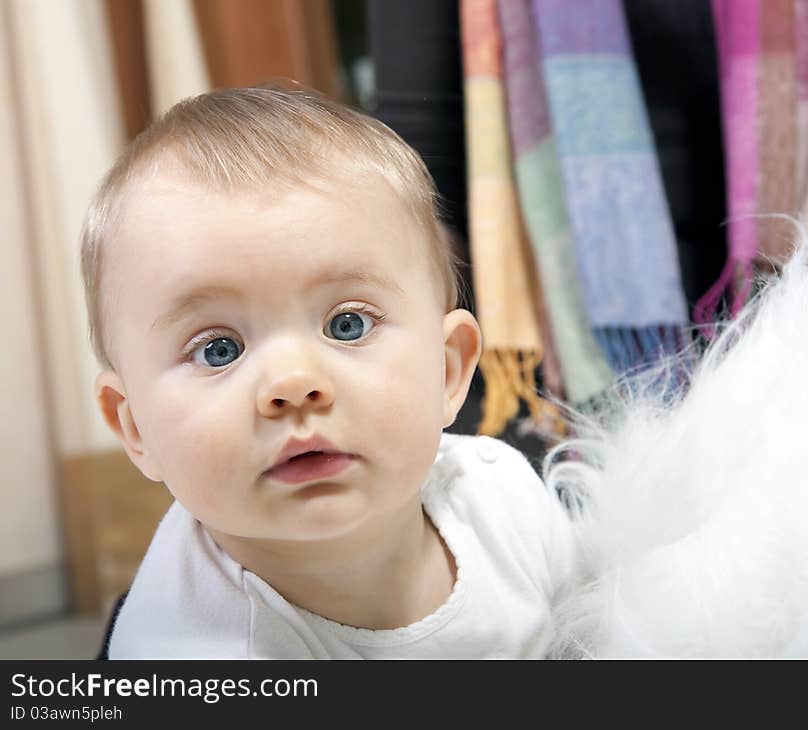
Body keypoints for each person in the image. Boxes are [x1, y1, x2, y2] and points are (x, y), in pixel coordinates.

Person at [80, 85, 581, 658]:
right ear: (135, 428)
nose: (293, 383)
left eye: (347, 324)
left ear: (447, 370)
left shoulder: (504, 500)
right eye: (218, 349)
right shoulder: (190, 652)